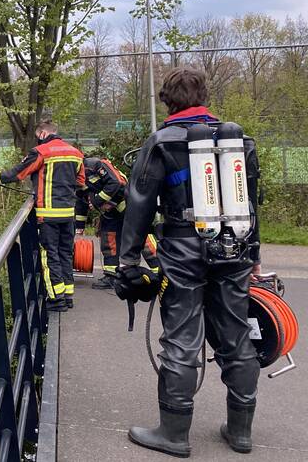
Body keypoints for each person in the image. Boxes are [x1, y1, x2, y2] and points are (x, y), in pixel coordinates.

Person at [116, 67, 262, 457]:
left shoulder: (161, 141)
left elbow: (139, 204)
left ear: (167, 99)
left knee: (181, 339)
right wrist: (255, 258)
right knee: (236, 335)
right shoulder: (238, 140)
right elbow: (250, 203)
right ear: (205, 96)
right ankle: (241, 431)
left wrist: (128, 260)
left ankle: (174, 434)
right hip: (235, 248)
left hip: (182, 249)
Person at [0, 120, 85, 312]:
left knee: (50, 255)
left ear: (43, 134)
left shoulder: (42, 152)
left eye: (38, 136)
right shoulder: (76, 153)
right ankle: (68, 296)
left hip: (48, 214)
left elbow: (17, 174)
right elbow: (80, 182)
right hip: (68, 213)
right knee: (65, 253)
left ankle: (57, 299)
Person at [75, 154, 161, 290]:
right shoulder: (74, 176)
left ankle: (161, 271)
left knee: (140, 238)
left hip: (128, 205)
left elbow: (116, 183)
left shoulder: (95, 165)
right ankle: (112, 276)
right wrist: (79, 226)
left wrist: (98, 201)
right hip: (110, 213)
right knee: (109, 242)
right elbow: (81, 201)